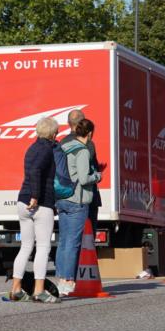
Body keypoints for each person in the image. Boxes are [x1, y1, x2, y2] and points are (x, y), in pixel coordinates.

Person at [2, 117, 59, 303]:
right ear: (51, 133)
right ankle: (39, 291)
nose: (57, 135)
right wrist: (35, 196)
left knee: (26, 246)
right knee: (43, 247)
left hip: (22, 201)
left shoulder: (32, 148)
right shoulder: (46, 150)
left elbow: (31, 170)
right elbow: (36, 171)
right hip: (40, 202)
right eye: (56, 132)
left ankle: (16, 289)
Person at [55, 119, 103, 296]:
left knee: (63, 241)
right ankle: (68, 280)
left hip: (62, 198)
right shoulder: (82, 151)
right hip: (77, 200)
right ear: (90, 133)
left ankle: (61, 279)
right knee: (73, 243)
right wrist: (97, 176)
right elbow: (83, 179)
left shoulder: (65, 147)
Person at [60, 109, 103, 226]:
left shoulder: (63, 143)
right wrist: (98, 175)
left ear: (68, 123)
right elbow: (88, 170)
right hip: (83, 197)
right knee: (85, 236)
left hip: (65, 196)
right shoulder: (87, 144)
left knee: (67, 235)